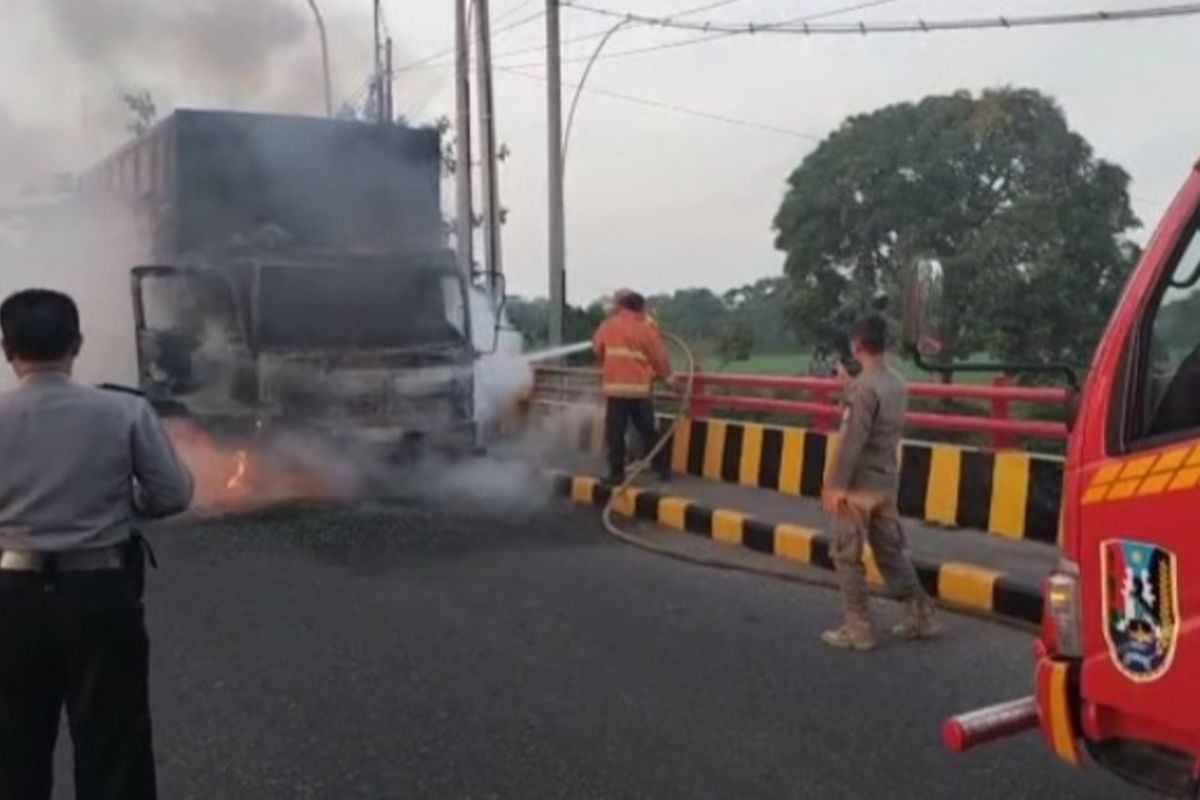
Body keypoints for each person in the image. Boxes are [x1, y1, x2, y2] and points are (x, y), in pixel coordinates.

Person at [0, 289, 194, 799]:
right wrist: (120, 507)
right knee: (113, 747)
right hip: (101, 592)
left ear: (6, 348)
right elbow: (173, 494)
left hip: (10, 595)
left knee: (11, 746)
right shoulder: (122, 411)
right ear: (77, 343)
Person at [820, 314, 939, 651]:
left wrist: (835, 485)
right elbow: (874, 411)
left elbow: (853, 440)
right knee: (890, 553)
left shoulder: (865, 389)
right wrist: (849, 387)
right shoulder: (896, 383)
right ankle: (922, 614)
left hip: (857, 486)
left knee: (846, 555)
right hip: (886, 481)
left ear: (856, 346)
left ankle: (858, 627)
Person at [593, 291, 673, 484]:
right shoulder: (645, 328)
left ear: (622, 306)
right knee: (647, 430)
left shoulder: (608, 326)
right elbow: (659, 357)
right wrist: (669, 379)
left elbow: (597, 349)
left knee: (616, 433)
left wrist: (611, 364)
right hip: (639, 390)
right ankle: (662, 469)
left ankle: (616, 474)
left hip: (616, 389)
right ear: (639, 308)